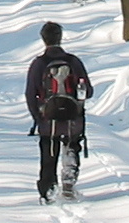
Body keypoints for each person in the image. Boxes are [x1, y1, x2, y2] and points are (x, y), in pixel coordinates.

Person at [25, 21, 93, 202]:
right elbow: (88, 91)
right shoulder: (73, 61)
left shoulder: (39, 64)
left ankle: (48, 191)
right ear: (60, 38)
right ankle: (69, 176)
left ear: (43, 40)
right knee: (72, 144)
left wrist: (38, 118)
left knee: (48, 155)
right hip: (73, 119)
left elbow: (30, 94)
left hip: (48, 121)